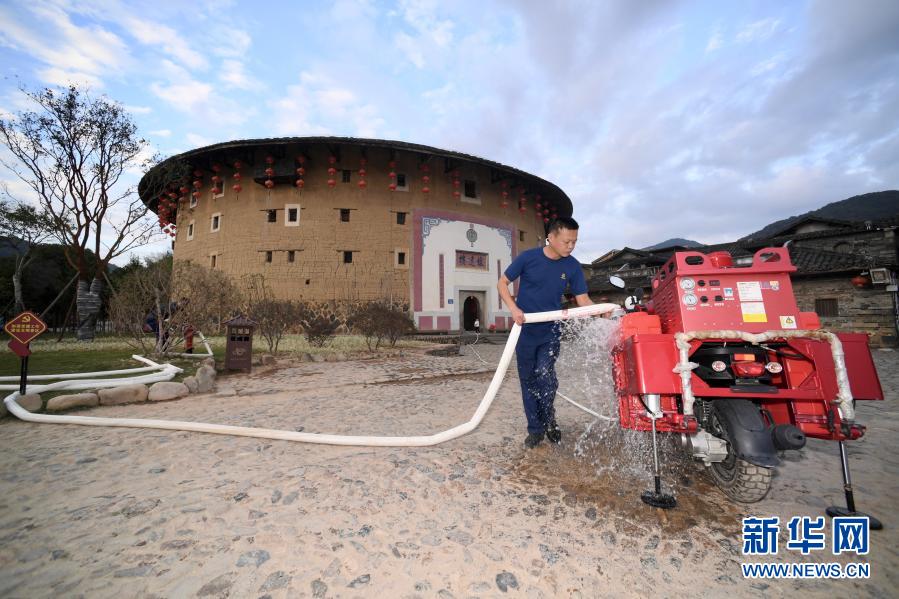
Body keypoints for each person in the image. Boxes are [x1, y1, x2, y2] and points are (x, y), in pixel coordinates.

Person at [497, 217, 593, 448]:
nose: (571, 246)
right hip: (525, 330)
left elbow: (583, 300)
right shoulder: (528, 258)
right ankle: (535, 429)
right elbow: (502, 282)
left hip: (551, 329)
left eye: (574, 242)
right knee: (528, 380)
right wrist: (514, 308)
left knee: (545, 374)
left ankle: (549, 419)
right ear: (551, 237)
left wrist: (602, 312)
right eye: (567, 241)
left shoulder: (572, 265)